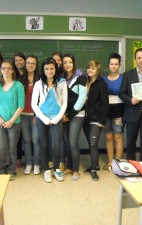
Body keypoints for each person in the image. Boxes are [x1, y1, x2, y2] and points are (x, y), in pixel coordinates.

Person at [31, 58, 67, 183]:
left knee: (56, 145)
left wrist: (57, 118)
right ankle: (46, 170)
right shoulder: (38, 84)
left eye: (52, 68)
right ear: (43, 70)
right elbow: (34, 105)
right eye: (47, 69)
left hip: (57, 118)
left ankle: (57, 169)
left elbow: (64, 103)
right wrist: (45, 119)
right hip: (42, 118)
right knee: (44, 144)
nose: (49, 71)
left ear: (55, 69)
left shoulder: (62, 82)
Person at [0, 60, 25, 181]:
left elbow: (21, 106)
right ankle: (0, 169)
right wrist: (0, 119)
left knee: (12, 147)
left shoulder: (18, 85)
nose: (6, 70)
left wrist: (11, 121)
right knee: (1, 146)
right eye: (3, 68)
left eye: (8, 68)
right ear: (1, 70)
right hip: (0, 122)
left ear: (12, 70)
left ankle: (11, 170)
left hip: (14, 123)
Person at [61, 53, 87, 181]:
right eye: (65, 62)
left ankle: (76, 170)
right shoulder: (61, 78)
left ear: (74, 63)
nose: (67, 65)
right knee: (66, 142)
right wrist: (62, 114)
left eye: (69, 62)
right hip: (64, 115)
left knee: (72, 142)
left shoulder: (81, 77)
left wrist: (69, 115)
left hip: (77, 114)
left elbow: (82, 98)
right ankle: (69, 167)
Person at [83, 60, 109, 181]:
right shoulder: (85, 82)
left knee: (93, 144)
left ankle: (94, 169)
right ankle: (96, 164)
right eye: (89, 68)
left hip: (96, 119)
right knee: (90, 143)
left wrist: (102, 121)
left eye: (93, 69)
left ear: (97, 70)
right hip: (85, 118)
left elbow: (105, 103)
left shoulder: (101, 83)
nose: (90, 70)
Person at [102, 53, 124, 171]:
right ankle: (110, 161)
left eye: (116, 64)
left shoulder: (123, 78)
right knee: (109, 137)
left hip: (118, 111)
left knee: (118, 136)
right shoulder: (104, 79)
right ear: (109, 65)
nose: (114, 66)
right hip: (106, 111)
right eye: (112, 64)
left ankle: (118, 161)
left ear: (119, 65)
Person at [21, 55, 41, 175]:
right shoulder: (20, 79)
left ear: (36, 65)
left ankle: (37, 164)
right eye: (28, 62)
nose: (30, 65)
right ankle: (28, 163)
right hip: (23, 114)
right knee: (27, 140)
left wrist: (37, 115)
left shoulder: (40, 79)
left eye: (33, 63)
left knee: (35, 140)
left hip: (36, 115)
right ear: (25, 64)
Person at [13, 52, 26, 168]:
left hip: (27, 110)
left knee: (28, 137)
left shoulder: (30, 75)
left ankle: (29, 158)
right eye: (16, 61)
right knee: (17, 137)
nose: (18, 62)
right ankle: (18, 158)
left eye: (21, 60)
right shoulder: (13, 76)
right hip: (15, 110)